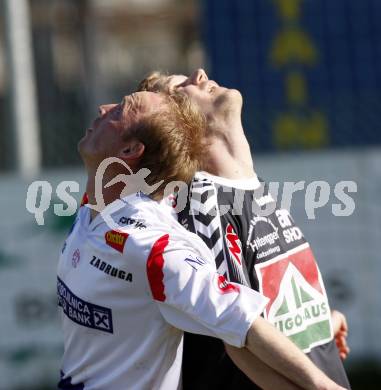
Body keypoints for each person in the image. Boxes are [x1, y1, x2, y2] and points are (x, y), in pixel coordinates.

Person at [57, 90, 347, 390]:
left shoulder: (151, 244)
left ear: (131, 150)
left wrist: (322, 385)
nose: (104, 107)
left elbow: (242, 324)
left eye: (121, 110)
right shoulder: (97, 203)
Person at [137, 70, 351, 389]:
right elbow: (240, 338)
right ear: (176, 128)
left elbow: (261, 314)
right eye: (182, 87)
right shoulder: (202, 206)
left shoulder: (247, 186)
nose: (200, 74)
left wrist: (317, 324)